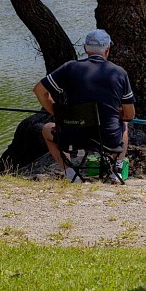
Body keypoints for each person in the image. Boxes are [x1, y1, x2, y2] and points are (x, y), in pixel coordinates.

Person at [33, 29, 136, 183]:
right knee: (125, 123)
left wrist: (56, 112)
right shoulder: (119, 73)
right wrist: (115, 114)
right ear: (107, 50)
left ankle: (70, 173)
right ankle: (117, 170)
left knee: (47, 128)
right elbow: (129, 115)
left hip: (72, 137)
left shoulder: (69, 68)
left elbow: (39, 90)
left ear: (85, 49)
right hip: (108, 139)